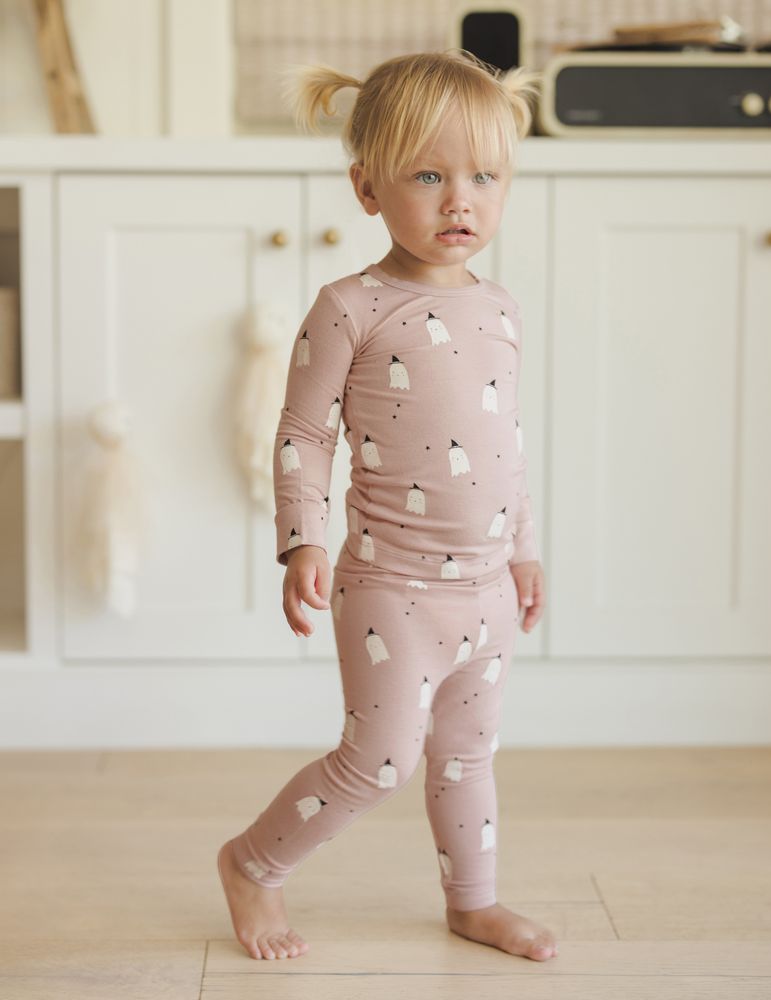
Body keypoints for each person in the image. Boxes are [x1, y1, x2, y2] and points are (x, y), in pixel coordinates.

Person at [217, 48, 556, 964]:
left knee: (468, 754)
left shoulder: (502, 309)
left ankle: (474, 902)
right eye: (429, 177)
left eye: (485, 177)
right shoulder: (350, 306)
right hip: (392, 590)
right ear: (367, 188)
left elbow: (506, 444)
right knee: (379, 760)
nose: (460, 201)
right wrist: (302, 540)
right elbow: (303, 432)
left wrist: (525, 549)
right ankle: (253, 864)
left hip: (488, 591)